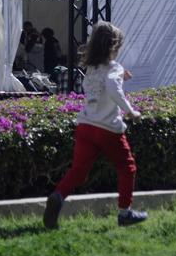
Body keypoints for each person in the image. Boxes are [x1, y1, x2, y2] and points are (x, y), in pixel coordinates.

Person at [44, 21, 145, 229]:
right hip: (107, 128)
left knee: (79, 171)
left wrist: (120, 78)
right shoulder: (114, 68)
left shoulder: (91, 68)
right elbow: (112, 88)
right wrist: (131, 111)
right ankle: (125, 212)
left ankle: (58, 195)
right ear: (114, 47)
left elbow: (103, 86)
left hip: (85, 126)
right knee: (128, 168)